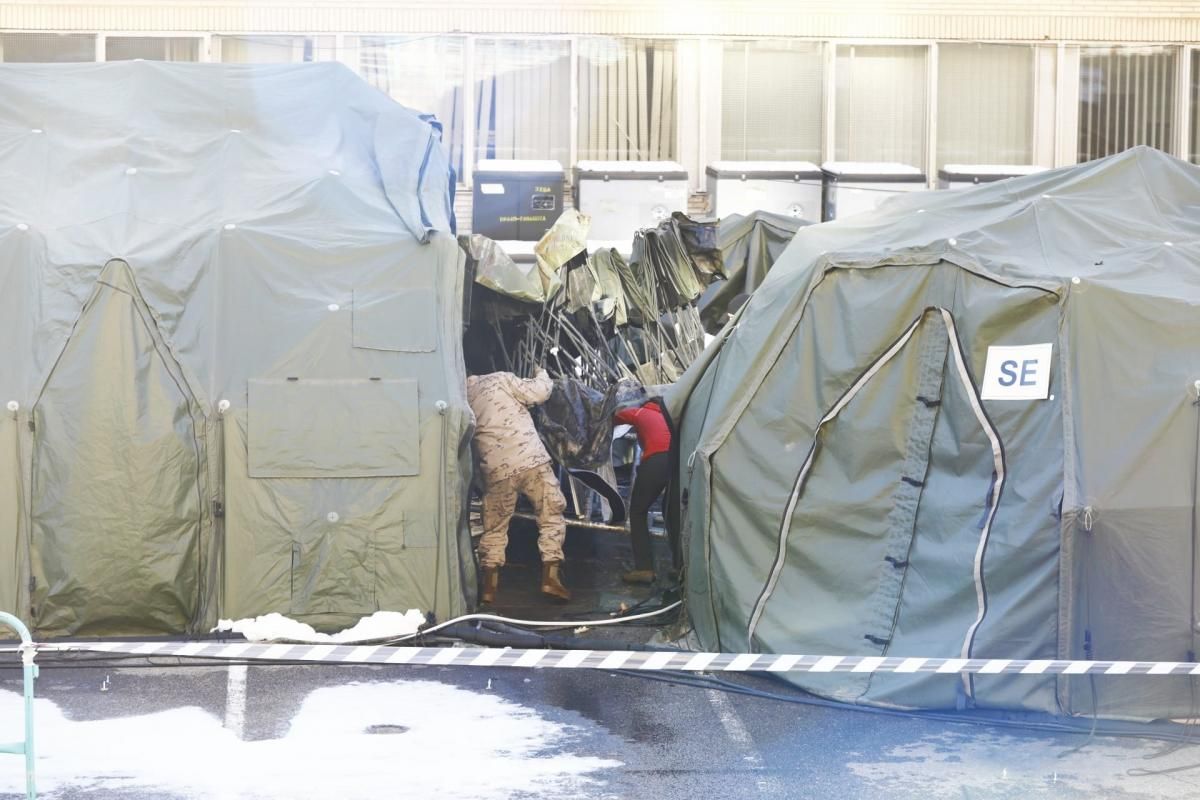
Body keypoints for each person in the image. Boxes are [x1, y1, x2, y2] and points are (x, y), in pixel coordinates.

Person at [467, 368, 570, 605]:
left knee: (494, 528)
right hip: (529, 458)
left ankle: (489, 589)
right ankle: (551, 578)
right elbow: (539, 393)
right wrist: (542, 373)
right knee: (550, 514)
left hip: (496, 469)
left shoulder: (462, 397)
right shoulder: (500, 379)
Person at [614, 397, 673, 584]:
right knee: (671, 512)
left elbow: (614, 417)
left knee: (638, 511)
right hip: (676, 462)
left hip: (655, 461)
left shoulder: (641, 412)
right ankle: (680, 567)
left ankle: (644, 568)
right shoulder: (669, 418)